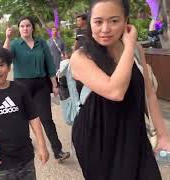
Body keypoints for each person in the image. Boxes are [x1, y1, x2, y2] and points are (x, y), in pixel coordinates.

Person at [70, 0, 170, 179]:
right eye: (98, 21)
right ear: (90, 23)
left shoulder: (137, 50)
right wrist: (130, 46)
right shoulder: (81, 57)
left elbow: (149, 94)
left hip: (133, 131)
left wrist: (163, 136)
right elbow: (115, 91)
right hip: (98, 137)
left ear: (126, 21)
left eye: (114, 21)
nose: (105, 29)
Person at [0, 47, 49, 180]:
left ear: (9, 66)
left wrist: (42, 145)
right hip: (2, 162)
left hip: (26, 157)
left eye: (1, 65)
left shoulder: (21, 89)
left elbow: (34, 118)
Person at [3, 16, 70, 163]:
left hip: (41, 85)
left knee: (46, 119)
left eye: (28, 26)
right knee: (22, 119)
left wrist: (54, 84)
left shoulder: (41, 43)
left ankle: (57, 151)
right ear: (19, 29)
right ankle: (23, 148)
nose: (25, 28)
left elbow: (50, 64)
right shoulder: (15, 44)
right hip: (21, 86)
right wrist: (7, 38)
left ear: (32, 28)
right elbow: (3, 57)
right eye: (22, 26)